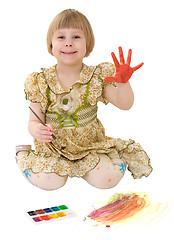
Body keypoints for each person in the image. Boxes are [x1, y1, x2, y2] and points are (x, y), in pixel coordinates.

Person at [16, 9, 152, 190]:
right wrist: (37, 130)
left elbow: (125, 104)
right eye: (61, 37)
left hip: (89, 146)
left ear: (89, 43)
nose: (69, 43)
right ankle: (22, 156)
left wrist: (124, 83)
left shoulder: (96, 77)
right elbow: (33, 120)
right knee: (50, 183)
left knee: (106, 181)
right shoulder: (40, 81)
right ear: (51, 45)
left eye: (76, 37)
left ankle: (106, 161)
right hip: (54, 148)